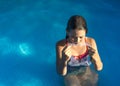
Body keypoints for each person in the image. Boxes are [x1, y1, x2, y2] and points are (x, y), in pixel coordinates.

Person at [56, 15, 103, 86]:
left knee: (93, 83)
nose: (77, 40)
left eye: (81, 37)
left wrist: (95, 56)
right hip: (70, 74)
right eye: (73, 37)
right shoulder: (61, 45)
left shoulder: (90, 42)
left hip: (86, 71)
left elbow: (99, 68)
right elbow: (61, 73)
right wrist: (64, 60)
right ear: (67, 32)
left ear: (86, 32)